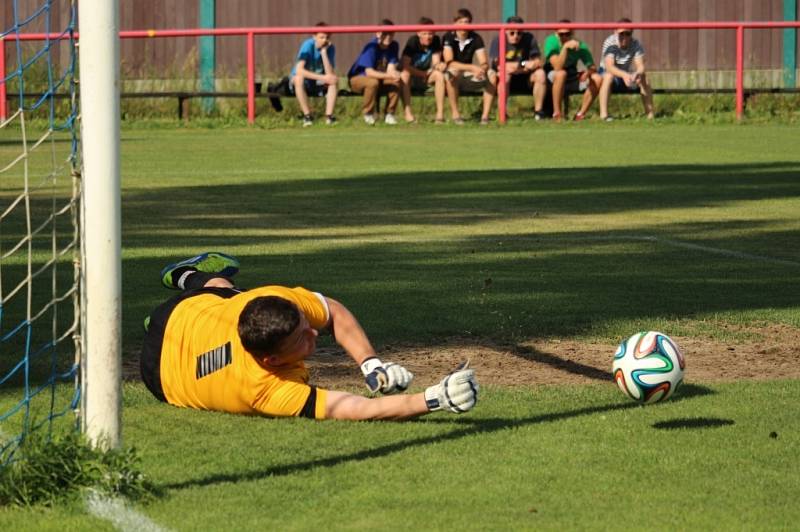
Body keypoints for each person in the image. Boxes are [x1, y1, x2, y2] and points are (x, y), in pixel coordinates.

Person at [140, 252, 479, 421]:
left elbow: (334, 313)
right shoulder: (263, 390)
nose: (314, 333)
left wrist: (372, 364)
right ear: (270, 360)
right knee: (225, 289)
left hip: (185, 315)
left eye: (306, 326)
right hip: (160, 375)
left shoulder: (274, 300)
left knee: (225, 292)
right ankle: (190, 278)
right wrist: (434, 399)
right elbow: (355, 408)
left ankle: (187, 276)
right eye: (302, 339)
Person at [442, 8, 497, 125]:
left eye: (466, 22)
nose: (463, 25)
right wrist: (472, 68)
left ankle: (485, 118)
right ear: (454, 23)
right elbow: (449, 63)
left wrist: (482, 70)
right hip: (456, 74)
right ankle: (456, 115)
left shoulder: (476, 37)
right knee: (451, 73)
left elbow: (484, 62)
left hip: (468, 74)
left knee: (492, 75)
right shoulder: (448, 37)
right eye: (460, 22)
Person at [542, 20, 602, 121]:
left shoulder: (580, 45)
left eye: (568, 34)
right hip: (553, 76)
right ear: (556, 33)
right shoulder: (551, 41)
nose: (565, 37)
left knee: (597, 78)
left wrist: (587, 73)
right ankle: (557, 114)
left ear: (572, 33)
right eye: (561, 34)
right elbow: (557, 67)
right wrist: (565, 48)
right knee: (561, 74)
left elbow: (592, 67)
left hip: (572, 75)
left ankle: (580, 114)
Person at [488, 15, 547, 120]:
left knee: (540, 74)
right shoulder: (498, 39)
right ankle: (502, 114)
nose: (516, 36)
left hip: (525, 77)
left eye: (519, 33)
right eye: (512, 33)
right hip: (507, 78)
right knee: (504, 76)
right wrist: (523, 65)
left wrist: (520, 67)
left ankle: (539, 113)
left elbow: (538, 62)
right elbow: (500, 66)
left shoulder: (529, 38)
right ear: (506, 31)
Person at [347, 19, 403, 125]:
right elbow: (369, 72)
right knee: (372, 82)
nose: (388, 37)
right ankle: (368, 114)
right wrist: (389, 75)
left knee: (395, 82)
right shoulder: (371, 46)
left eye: (391, 33)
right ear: (378, 33)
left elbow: (390, 67)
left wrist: (394, 75)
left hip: (378, 78)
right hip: (358, 78)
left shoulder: (394, 45)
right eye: (385, 33)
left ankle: (389, 114)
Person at [598, 19, 655, 121]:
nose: (624, 37)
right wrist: (625, 75)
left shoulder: (636, 44)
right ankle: (604, 115)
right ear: (615, 32)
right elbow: (609, 67)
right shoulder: (610, 42)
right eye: (621, 33)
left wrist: (636, 74)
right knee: (608, 76)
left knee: (644, 78)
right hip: (607, 73)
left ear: (631, 33)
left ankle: (650, 115)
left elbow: (641, 66)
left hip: (624, 75)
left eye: (627, 34)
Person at [289, 22, 338, 127]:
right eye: (321, 37)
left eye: (327, 37)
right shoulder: (308, 45)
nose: (324, 40)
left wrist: (324, 53)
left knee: (333, 80)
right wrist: (323, 77)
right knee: (298, 79)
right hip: (303, 81)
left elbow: (329, 74)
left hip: (317, 81)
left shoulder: (330, 48)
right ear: (314, 36)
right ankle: (307, 117)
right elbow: (299, 70)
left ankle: (329, 117)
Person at [399, 17, 447, 124]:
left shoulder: (435, 40)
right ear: (418, 33)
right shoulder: (412, 41)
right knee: (404, 74)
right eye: (425, 33)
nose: (428, 37)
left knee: (439, 75)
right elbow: (405, 65)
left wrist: (440, 65)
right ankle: (408, 113)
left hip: (425, 76)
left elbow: (435, 62)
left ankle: (439, 115)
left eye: (430, 33)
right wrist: (422, 74)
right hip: (413, 75)